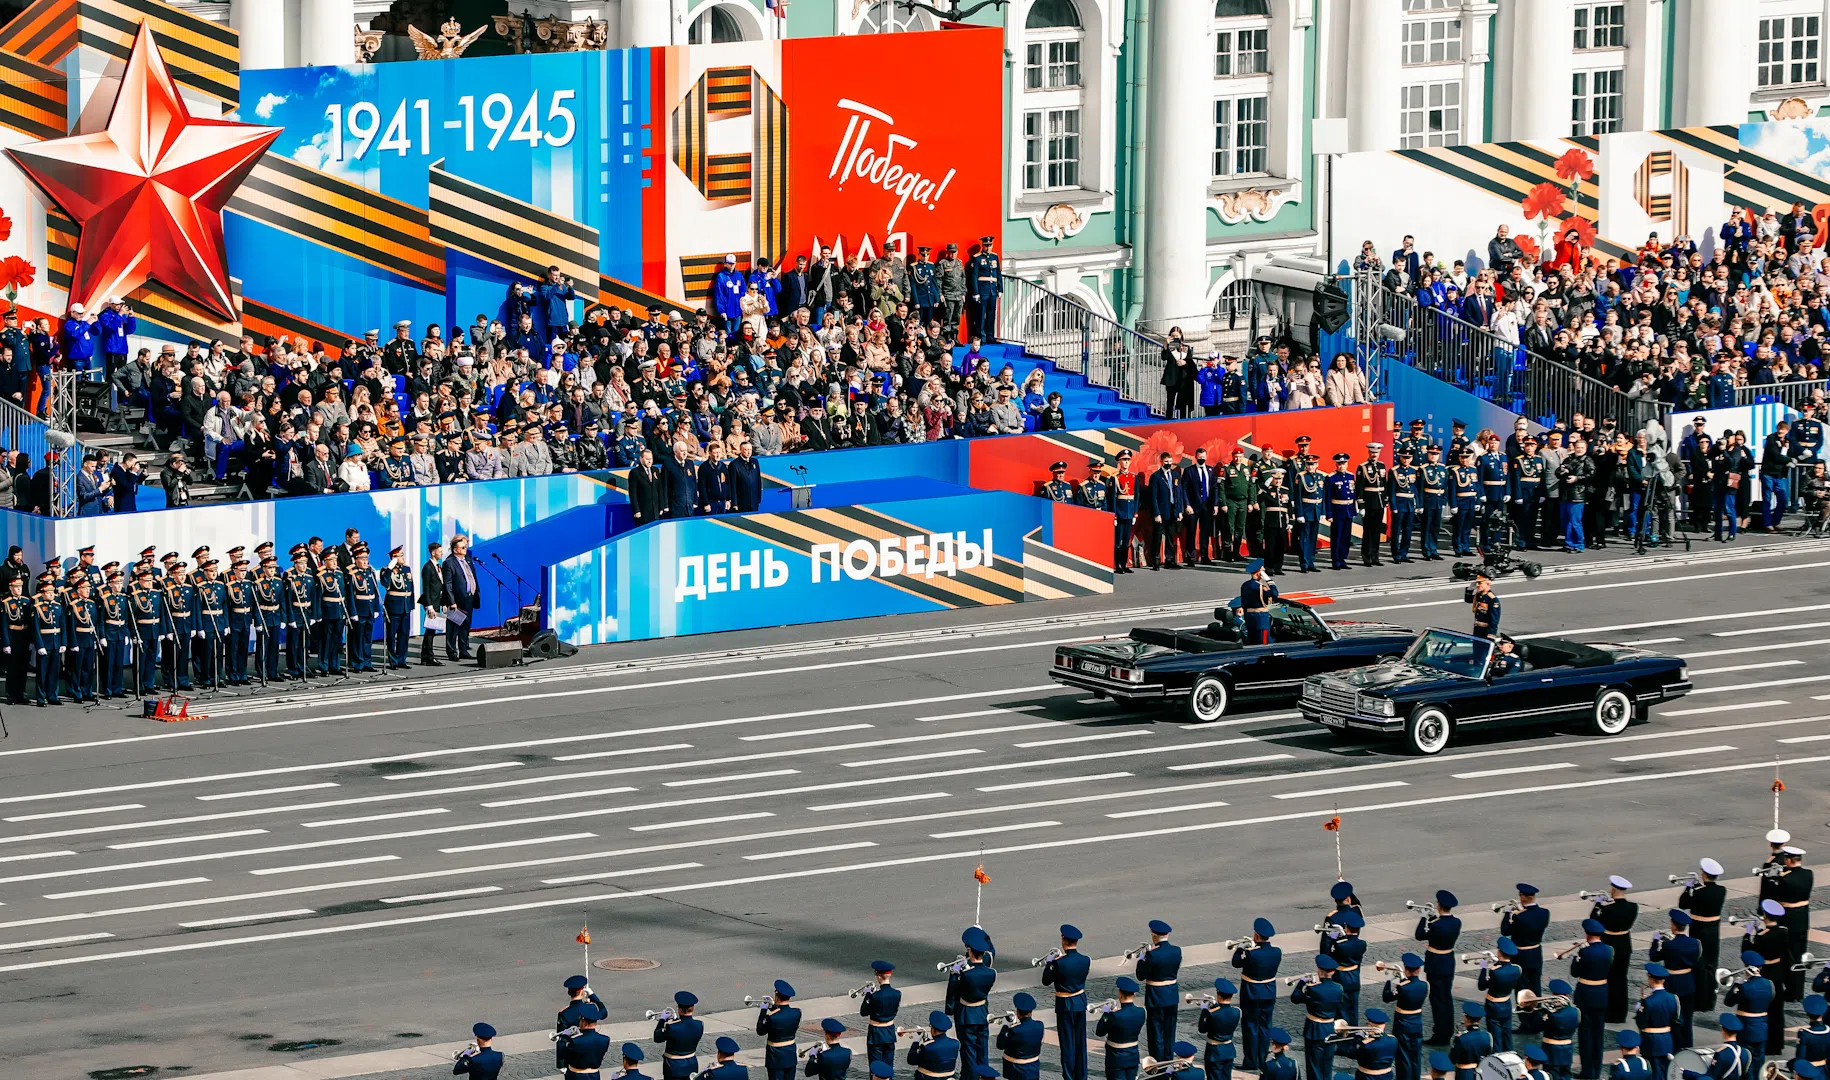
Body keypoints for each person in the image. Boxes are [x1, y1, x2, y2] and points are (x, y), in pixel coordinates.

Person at [1043, 927, 1091, 1080]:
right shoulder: (1085, 960)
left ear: (1063, 940)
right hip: (1079, 1002)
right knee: (1080, 1043)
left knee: (1067, 1044)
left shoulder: (1059, 963)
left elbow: (1045, 981)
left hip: (1064, 1004)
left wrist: (1050, 963)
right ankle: (1081, 1075)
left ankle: (1069, 1076)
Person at [1416, 890, 1461, 1046]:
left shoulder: (1436, 925)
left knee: (1437, 999)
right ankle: (1446, 1031)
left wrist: (1424, 916)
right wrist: (1432, 917)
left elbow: (1419, 934)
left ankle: (1440, 1034)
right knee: (1446, 998)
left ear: (1439, 905)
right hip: (1448, 961)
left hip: (1435, 963)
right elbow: (1440, 925)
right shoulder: (1456, 922)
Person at [1137, 919, 1182, 1059]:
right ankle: (1168, 1059)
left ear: (1155, 936)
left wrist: (1141, 958)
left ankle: (1157, 1063)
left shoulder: (1152, 955)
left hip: (1155, 996)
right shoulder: (1176, 951)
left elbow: (1140, 975)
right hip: (1171, 995)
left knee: (1156, 1032)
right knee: (1169, 1031)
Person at [1096, 978, 1146, 1080]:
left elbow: (1099, 1032)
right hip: (1133, 1056)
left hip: (1116, 1058)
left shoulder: (1115, 1016)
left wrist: (1106, 1013)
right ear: (1134, 994)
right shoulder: (1141, 1012)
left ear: (1120, 994)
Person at [441, 535, 480, 661]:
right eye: (462, 547)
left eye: (466, 546)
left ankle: (463, 650)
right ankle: (452, 652)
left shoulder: (467, 559)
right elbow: (448, 584)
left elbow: (472, 576)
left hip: (469, 597)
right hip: (457, 600)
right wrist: (451, 601)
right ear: (455, 549)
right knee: (453, 627)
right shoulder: (449, 562)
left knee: (465, 626)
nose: (465, 549)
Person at [859, 961, 902, 1072]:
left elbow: (863, 1012)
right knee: (888, 1065)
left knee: (875, 1066)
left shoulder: (875, 996)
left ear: (878, 976)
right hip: (889, 1032)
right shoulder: (897, 993)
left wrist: (868, 994)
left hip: (876, 1034)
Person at [1196, 979, 1240, 1080]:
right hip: (1229, 1050)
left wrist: (1204, 1010)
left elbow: (1202, 1029)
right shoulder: (1237, 1011)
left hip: (1214, 1052)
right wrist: (1215, 1006)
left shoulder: (1212, 1014)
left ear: (1218, 994)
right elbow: (1224, 1014)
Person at [997, 994, 1043, 1080]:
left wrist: (1005, 1026)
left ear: (1018, 1012)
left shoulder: (1015, 1030)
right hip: (1033, 1067)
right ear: (1031, 1012)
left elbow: (1000, 1045)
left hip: (1016, 1069)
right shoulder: (1040, 1025)